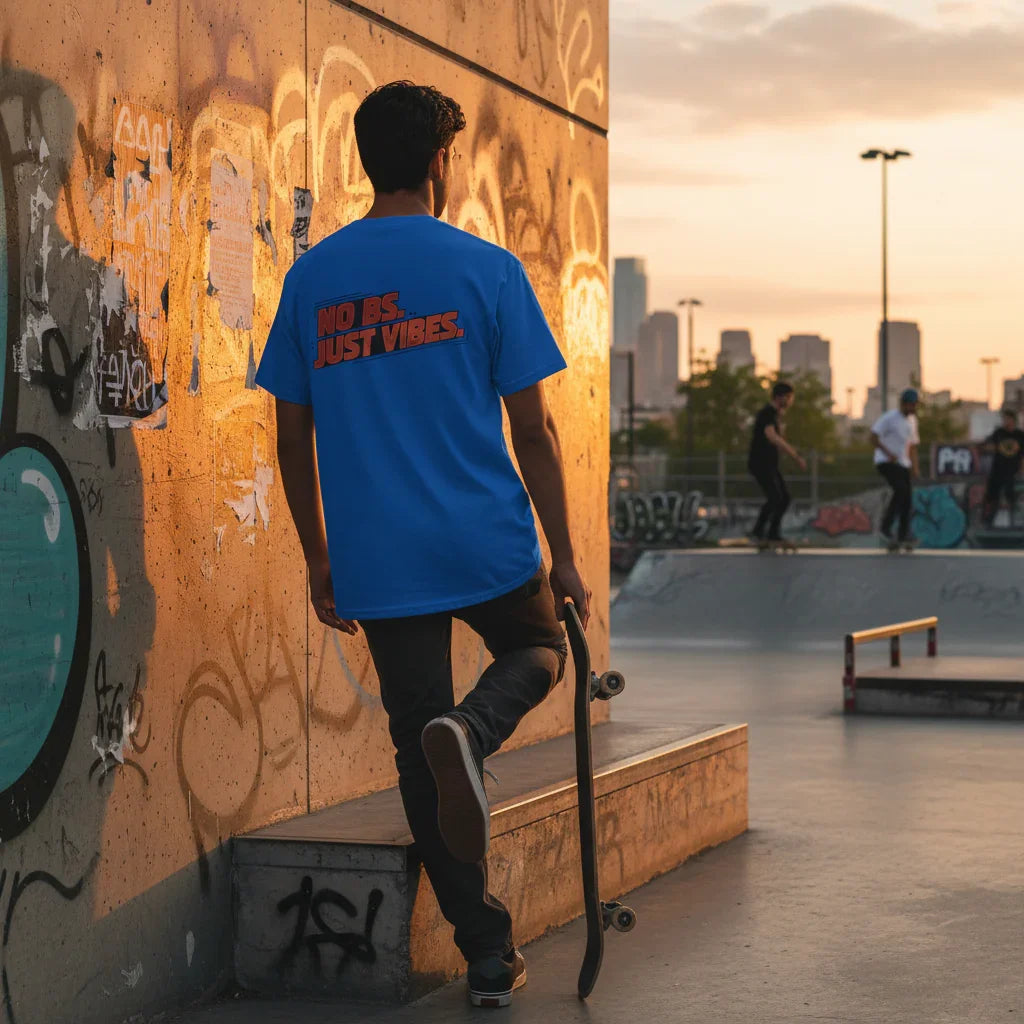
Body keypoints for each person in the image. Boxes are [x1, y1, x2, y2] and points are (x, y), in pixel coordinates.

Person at [255, 81, 589, 1008]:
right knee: (538, 648)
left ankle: (486, 953)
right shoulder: (488, 270)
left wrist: (318, 556)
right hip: (484, 541)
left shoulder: (313, 279)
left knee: (417, 753)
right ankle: (473, 732)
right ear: (442, 160)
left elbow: (291, 436)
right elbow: (534, 430)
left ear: (367, 160)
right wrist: (564, 554)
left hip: (380, 555)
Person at [747, 382, 807, 548]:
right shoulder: (767, 413)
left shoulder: (775, 416)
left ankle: (773, 534)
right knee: (775, 497)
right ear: (781, 397)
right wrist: (795, 456)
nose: (791, 402)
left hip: (770, 464)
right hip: (760, 463)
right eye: (789, 398)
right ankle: (758, 532)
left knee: (784, 498)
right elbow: (772, 436)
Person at [871, 388, 920, 546]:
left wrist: (915, 467)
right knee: (901, 490)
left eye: (914, 405)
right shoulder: (889, 418)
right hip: (885, 462)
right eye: (909, 405)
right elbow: (873, 437)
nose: (911, 408)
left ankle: (903, 535)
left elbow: (912, 446)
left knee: (907, 500)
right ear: (902, 404)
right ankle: (885, 527)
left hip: (903, 463)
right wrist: (887, 452)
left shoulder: (912, 421)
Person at [981, 408, 1024, 527]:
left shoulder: (1019, 435)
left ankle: (1015, 522)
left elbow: (1022, 455)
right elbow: (987, 445)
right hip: (997, 469)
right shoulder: (999, 433)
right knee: (992, 496)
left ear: (1013, 420)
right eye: (1004, 419)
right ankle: (988, 521)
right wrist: (988, 447)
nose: (1005, 421)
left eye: (1007, 419)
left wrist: (1021, 469)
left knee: (1011, 495)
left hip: (1011, 471)